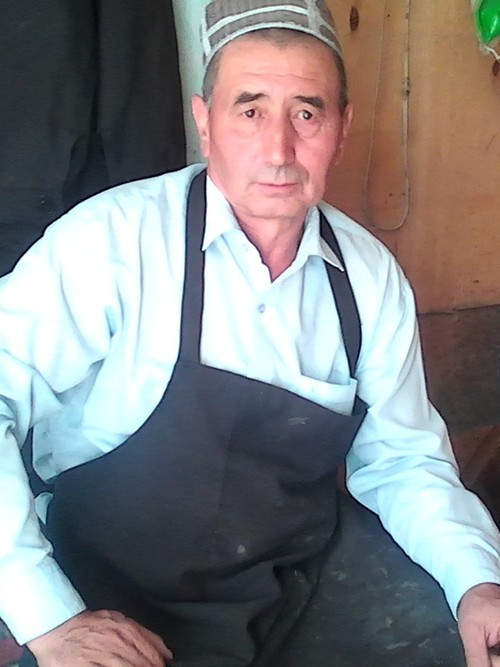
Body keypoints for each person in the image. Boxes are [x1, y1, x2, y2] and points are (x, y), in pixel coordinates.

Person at [1, 1, 500, 665]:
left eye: (306, 113)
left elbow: (403, 459)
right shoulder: (110, 241)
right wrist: (50, 619)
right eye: (250, 110)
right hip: (109, 586)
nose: (279, 150)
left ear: (342, 129)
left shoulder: (369, 278)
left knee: (459, 640)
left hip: (292, 581)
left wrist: (477, 581)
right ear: (205, 123)